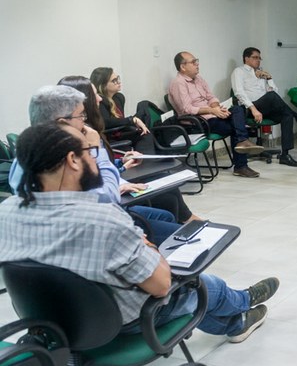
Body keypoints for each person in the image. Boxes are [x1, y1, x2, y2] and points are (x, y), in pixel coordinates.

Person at [0, 122, 280, 343]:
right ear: (73, 160)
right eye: (91, 152)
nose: (97, 160)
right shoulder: (103, 219)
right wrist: (148, 247)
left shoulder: (6, 212)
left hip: (49, 320)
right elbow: (159, 285)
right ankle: (243, 304)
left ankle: (238, 321)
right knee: (202, 284)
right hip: (118, 321)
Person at [8, 85, 181, 243]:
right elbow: (107, 198)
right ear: (62, 122)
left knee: (165, 215)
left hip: (89, 221)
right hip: (96, 227)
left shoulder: (26, 155)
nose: (84, 120)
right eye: (81, 115)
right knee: (178, 233)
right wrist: (95, 148)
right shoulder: (65, 159)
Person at [59, 75, 202, 224]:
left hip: (111, 190)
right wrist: (118, 181)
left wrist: (121, 162)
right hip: (105, 210)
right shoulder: (80, 137)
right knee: (165, 199)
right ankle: (185, 224)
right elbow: (97, 185)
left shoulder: (93, 124)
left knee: (167, 195)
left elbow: (100, 169)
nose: (100, 99)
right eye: (94, 95)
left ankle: (186, 221)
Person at [168, 51, 263, 179]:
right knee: (236, 127)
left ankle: (242, 144)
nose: (197, 64)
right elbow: (187, 109)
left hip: (212, 115)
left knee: (237, 109)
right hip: (197, 122)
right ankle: (241, 161)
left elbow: (211, 97)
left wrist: (217, 108)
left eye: (197, 61)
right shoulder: (178, 83)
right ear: (182, 67)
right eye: (193, 62)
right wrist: (211, 111)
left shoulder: (199, 79)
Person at [231, 47, 297, 168]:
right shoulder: (239, 71)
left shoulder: (261, 72)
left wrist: (269, 78)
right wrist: (253, 109)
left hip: (266, 107)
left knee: (287, 115)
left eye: (259, 58)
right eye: (255, 57)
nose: (258, 60)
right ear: (246, 58)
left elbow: (274, 91)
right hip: (249, 109)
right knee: (272, 97)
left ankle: (285, 155)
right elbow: (239, 93)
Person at [90, 67, 150, 146]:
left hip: (121, 129)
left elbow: (120, 119)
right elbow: (106, 122)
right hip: (112, 136)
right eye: (114, 81)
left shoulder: (118, 97)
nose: (118, 82)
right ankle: (147, 158)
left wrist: (133, 122)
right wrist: (131, 120)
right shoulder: (100, 101)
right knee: (145, 135)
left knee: (144, 110)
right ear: (103, 85)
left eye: (117, 78)